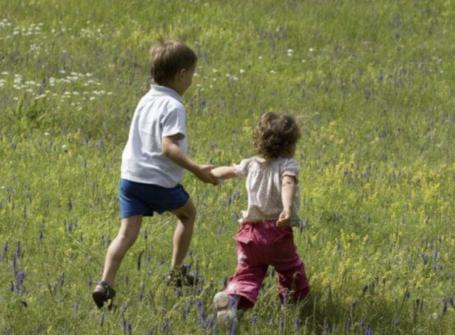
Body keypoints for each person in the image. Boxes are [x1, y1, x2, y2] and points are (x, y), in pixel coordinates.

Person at [92, 39, 218, 308]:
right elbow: (168, 147)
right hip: (157, 180)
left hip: (130, 178)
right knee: (188, 214)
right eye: (192, 74)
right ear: (182, 74)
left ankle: (105, 283)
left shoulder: (146, 99)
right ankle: (176, 272)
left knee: (126, 234)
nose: (192, 80)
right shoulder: (174, 106)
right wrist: (197, 169)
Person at [210, 112, 309, 327]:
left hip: (249, 234)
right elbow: (287, 184)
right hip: (277, 232)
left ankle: (233, 300)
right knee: (291, 272)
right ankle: (289, 307)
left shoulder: (250, 164)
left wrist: (209, 172)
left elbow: (228, 170)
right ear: (291, 143)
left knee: (247, 275)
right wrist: (287, 208)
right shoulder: (288, 165)